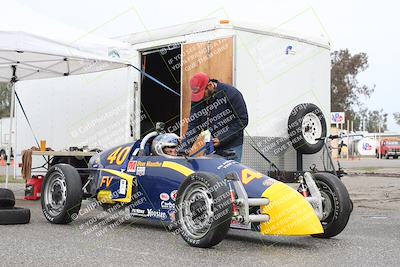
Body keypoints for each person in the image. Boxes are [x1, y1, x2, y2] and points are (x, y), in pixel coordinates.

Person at [179, 72, 248, 162]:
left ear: (210, 85)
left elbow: (242, 120)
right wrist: (184, 149)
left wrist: (222, 138)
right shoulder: (198, 99)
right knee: (209, 174)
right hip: (211, 144)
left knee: (229, 175)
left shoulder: (232, 94)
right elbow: (194, 125)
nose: (201, 98)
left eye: (202, 94)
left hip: (232, 146)